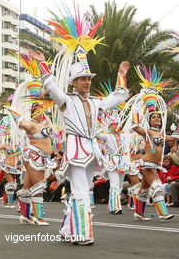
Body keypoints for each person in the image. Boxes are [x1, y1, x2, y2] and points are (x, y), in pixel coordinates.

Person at [42, 58, 129, 245]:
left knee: (82, 190)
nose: (87, 82)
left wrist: (121, 75)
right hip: (75, 150)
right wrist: (42, 64)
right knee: (81, 191)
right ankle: (81, 234)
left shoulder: (96, 102)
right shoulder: (66, 100)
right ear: (74, 82)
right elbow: (51, 86)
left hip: (91, 150)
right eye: (82, 79)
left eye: (89, 79)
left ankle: (67, 229)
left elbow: (119, 96)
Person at [131, 112, 179, 221]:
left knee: (144, 189)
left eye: (158, 117)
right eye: (154, 117)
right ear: (150, 121)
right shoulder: (148, 132)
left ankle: (139, 213)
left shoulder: (162, 135)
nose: (157, 118)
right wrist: (136, 111)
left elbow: (175, 137)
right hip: (146, 165)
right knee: (157, 186)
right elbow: (134, 126)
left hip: (154, 166)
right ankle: (163, 213)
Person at [16, 103, 55, 225]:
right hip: (34, 156)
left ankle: (25, 215)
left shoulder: (44, 124)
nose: (40, 113)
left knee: (26, 188)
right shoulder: (30, 124)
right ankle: (39, 217)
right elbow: (21, 124)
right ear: (32, 113)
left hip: (43, 158)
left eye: (42, 111)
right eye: (37, 111)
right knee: (39, 185)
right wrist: (16, 115)